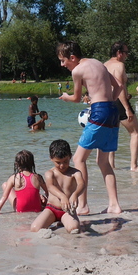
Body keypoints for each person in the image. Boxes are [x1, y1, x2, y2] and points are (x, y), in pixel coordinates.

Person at [57, 41, 123, 215]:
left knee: (78, 159)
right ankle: (114, 205)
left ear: (72, 57)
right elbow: (118, 86)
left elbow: (77, 98)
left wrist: (65, 96)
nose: (62, 65)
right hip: (113, 112)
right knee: (103, 162)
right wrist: (109, 103)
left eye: (63, 61)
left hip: (99, 113)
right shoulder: (97, 63)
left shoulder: (77, 71)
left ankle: (83, 205)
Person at [104, 42, 138, 172]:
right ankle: (134, 166)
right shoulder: (119, 65)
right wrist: (127, 108)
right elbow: (119, 88)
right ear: (119, 53)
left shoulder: (104, 65)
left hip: (106, 102)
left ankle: (111, 166)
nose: (127, 55)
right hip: (119, 103)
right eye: (126, 52)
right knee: (135, 132)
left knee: (112, 134)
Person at [34, 139, 82, 233]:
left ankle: (64, 221)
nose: (62, 165)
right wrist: (62, 196)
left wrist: (75, 194)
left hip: (67, 210)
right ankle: (53, 221)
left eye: (65, 161)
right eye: (58, 162)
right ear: (51, 158)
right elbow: (50, 186)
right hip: (51, 209)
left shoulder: (75, 173)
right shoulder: (50, 173)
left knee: (74, 229)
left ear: (70, 157)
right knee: (35, 228)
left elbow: (82, 184)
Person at [0, 150, 48, 215]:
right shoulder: (38, 177)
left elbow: (4, 197)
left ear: (17, 164)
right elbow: (48, 191)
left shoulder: (13, 178)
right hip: (37, 209)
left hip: (20, 209)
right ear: (32, 163)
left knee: (5, 185)